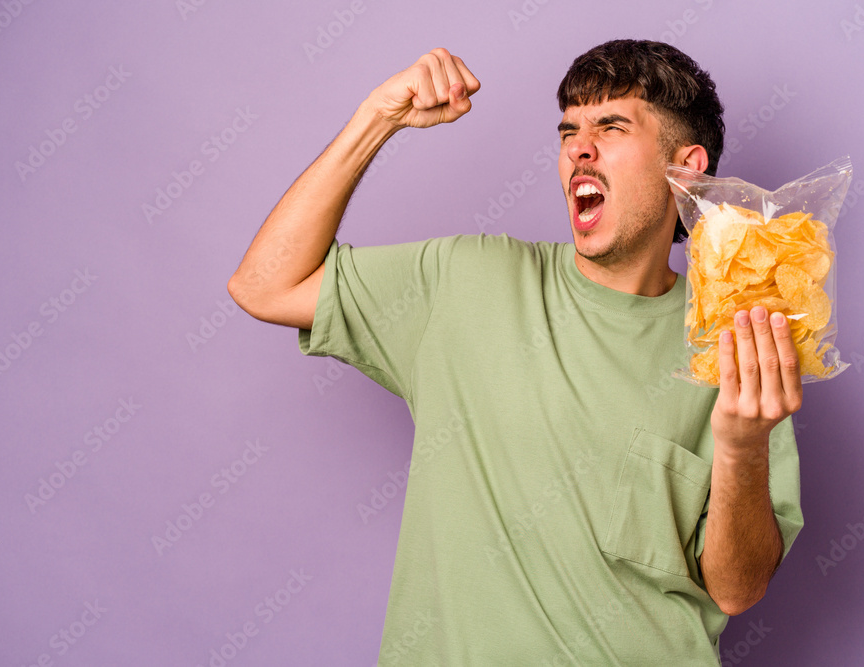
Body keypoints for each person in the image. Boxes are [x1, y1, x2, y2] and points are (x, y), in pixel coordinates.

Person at [228, 39, 804, 666]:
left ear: (686, 169)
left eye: (611, 127)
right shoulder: (465, 281)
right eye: (568, 132)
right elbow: (264, 285)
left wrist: (743, 447)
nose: (578, 148)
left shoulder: (735, 340)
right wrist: (378, 118)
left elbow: (736, 587)